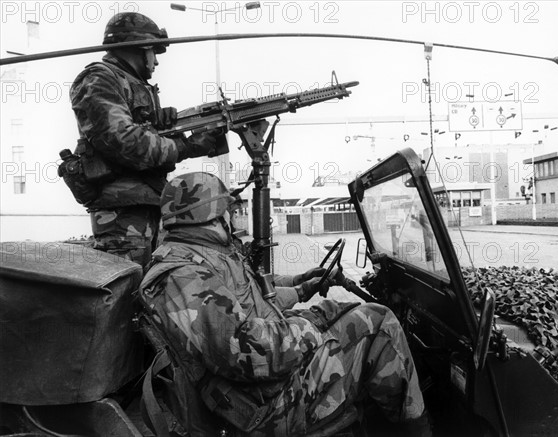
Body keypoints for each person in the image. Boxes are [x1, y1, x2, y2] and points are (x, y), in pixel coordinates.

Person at [140, 172, 430, 436]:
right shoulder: (184, 274)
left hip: (264, 387)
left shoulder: (200, 255)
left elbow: (252, 303)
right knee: (380, 324)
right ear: (211, 215)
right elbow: (247, 351)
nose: (233, 217)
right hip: (269, 409)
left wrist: (304, 288)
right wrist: (311, 327)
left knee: (344, 313)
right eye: (228, 211)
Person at [69, 12, 227, 268]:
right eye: (154, 51)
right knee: (125, 295)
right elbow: (124, 141)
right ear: (140, 48)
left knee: (152, 290)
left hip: (147, 204)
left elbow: (142, 135)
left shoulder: (132, 83)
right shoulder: (100, 78)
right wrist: (184, 147)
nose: (156, 61)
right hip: (122, 216)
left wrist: (169, 129)